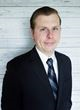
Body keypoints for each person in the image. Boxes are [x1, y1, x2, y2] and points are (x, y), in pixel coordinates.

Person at [1, 6, 72, 110]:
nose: (50, 35)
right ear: (32, 33)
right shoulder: (16, 67)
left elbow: (66, 102)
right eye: (43, 29)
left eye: (55, 28)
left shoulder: (66, 61)